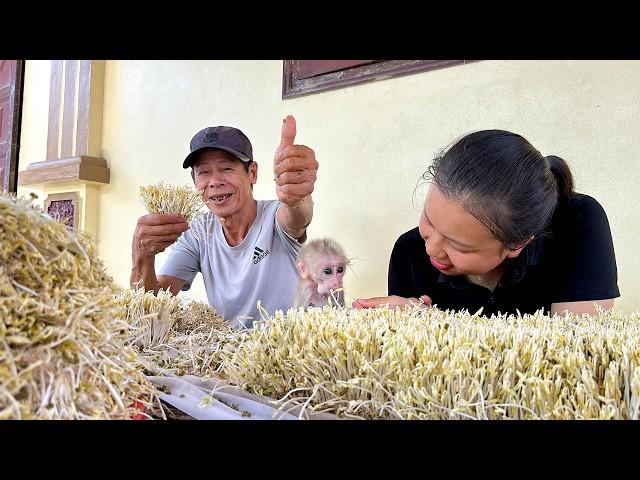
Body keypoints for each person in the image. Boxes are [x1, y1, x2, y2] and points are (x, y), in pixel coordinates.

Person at [353, 129, 619, 316]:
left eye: (460, 246)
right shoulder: (409, 250)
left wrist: (430, 322)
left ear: (518, 242)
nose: (432, 249)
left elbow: (575, 352)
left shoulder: (577, 221)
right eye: (429, 221)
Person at [131, 115, 318, 328]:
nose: (215, 181)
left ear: (252, 173)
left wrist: (297, 196)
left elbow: (298, 216)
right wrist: (142, 255)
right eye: (204, 172)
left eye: (227, 168)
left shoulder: (275, 215)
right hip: (233, 356)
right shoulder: (198, 232)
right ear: (195, 182)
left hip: (290, 350)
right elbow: (153, 306)